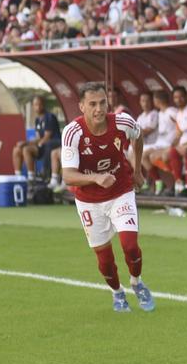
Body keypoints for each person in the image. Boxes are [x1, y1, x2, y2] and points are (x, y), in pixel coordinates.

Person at [60, 82, 154, 313]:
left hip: (121, 191)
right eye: (92, 104)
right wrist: (96, 178)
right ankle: (117, 293)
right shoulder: (73, 132)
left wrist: (137, 170)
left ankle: (137, 282)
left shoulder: (123, 122)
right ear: (82, 106)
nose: (99, 109)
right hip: (89, 201)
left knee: (130, 245)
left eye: (102, 103)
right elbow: (68, 176)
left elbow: (138, 136)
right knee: (104, 260)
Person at [12, 95, 61, 186]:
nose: (38, 107)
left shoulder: (49, 117)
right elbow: (38, 137)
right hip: (42, 145)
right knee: (17, 149)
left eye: (39, 104)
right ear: (33, 106)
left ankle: (31, 177)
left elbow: (47, 137)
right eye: (35, 105)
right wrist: (26, 143)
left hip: (51, 145)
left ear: (43, 105)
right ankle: (18, 177)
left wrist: (28, 144)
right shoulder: (37, 120)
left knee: (26, 149)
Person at [140, 90, 177, 195]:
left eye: (154, 99)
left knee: (154, 157)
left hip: (169, 144)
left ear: (157, 100)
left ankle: (177, 178)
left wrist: (176, 141)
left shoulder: (172, 111)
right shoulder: (160, 113)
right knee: (143, 156)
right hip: (160, 143)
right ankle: (158, 181)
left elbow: (180, 124)